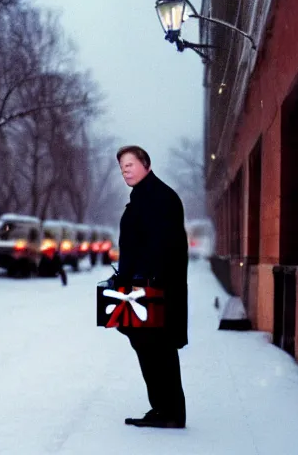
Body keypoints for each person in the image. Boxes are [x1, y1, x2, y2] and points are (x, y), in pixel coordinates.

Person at [115, 145, 189, 429]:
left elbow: (165, 247)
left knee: (157, 349)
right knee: (150, 348)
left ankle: (168, 411)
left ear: (146, 163)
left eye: (130, 165)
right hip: (143, 289)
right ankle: (163, 409)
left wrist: (145, 282)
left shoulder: (159, 197)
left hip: (152, 291)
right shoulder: (145, 196)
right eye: (122, 167)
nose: (125, 171)